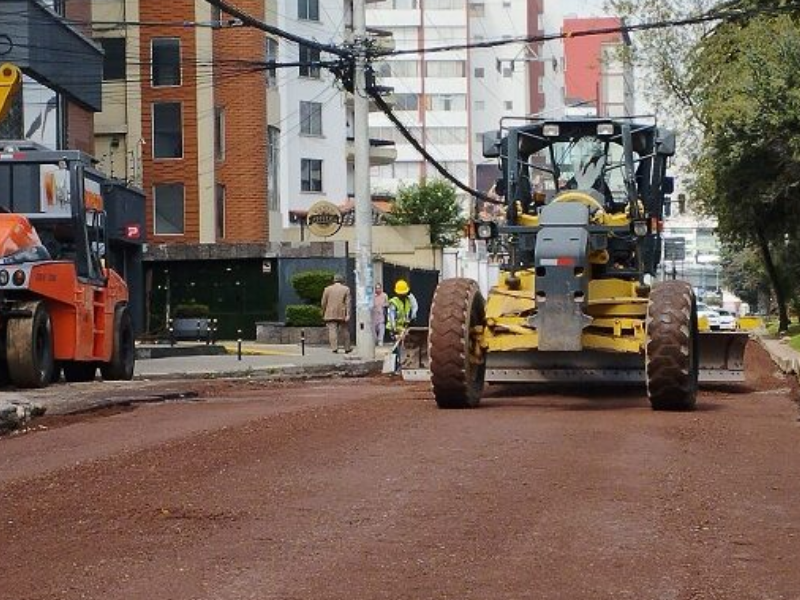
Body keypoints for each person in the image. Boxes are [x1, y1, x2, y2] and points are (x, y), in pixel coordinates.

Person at [320, 273, 351, 353]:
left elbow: (323, 302)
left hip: (330, 312)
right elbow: (348, 303)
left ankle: (334, 348)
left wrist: (323, 312)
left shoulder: (327, 289)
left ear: (334, 280)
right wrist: (348, 314)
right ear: (342, 280)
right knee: (345, 330)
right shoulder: (346, 289)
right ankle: (347, 348)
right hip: (342, 313)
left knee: (332, 330)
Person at [372, 282, 389, 347]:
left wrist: (384, 305)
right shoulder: (373, 296)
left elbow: (387, 303)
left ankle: (380, 340)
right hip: (374, 313)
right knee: (373, 328)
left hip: (381, 313)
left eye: (379, 288)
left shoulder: (384, 295)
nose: (377, 290)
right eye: (376, 288)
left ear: (381, 289)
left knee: (381, 327)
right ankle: (375, 340)